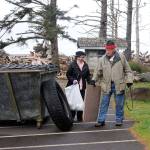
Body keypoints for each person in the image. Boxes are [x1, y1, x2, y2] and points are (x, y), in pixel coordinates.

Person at [92, 40, 133, 127]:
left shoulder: (121, 57)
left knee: (119, 104)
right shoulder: (102, 59)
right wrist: (93, 79)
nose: (107, 51)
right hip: (106, 85)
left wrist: (129, 80)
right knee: (104, 103)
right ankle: (101, 120)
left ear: (114, 49)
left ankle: (119, 120)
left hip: (119, 85)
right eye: (106, 50)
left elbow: (128, 71)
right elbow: (97, 72)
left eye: (109, 50)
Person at [66, 51, 91, 122]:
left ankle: (80, 117)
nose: (82, 58)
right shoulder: (72, 64)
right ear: (77, 57)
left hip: (82, 87)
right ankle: (72, 117)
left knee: (81, 102)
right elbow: (68, 75)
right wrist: (73, 80)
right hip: (73, 87)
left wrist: (90, 82)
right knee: (73, 103)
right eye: (81, 57)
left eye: (83, 57)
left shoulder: (85, 65)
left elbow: (88, 75)